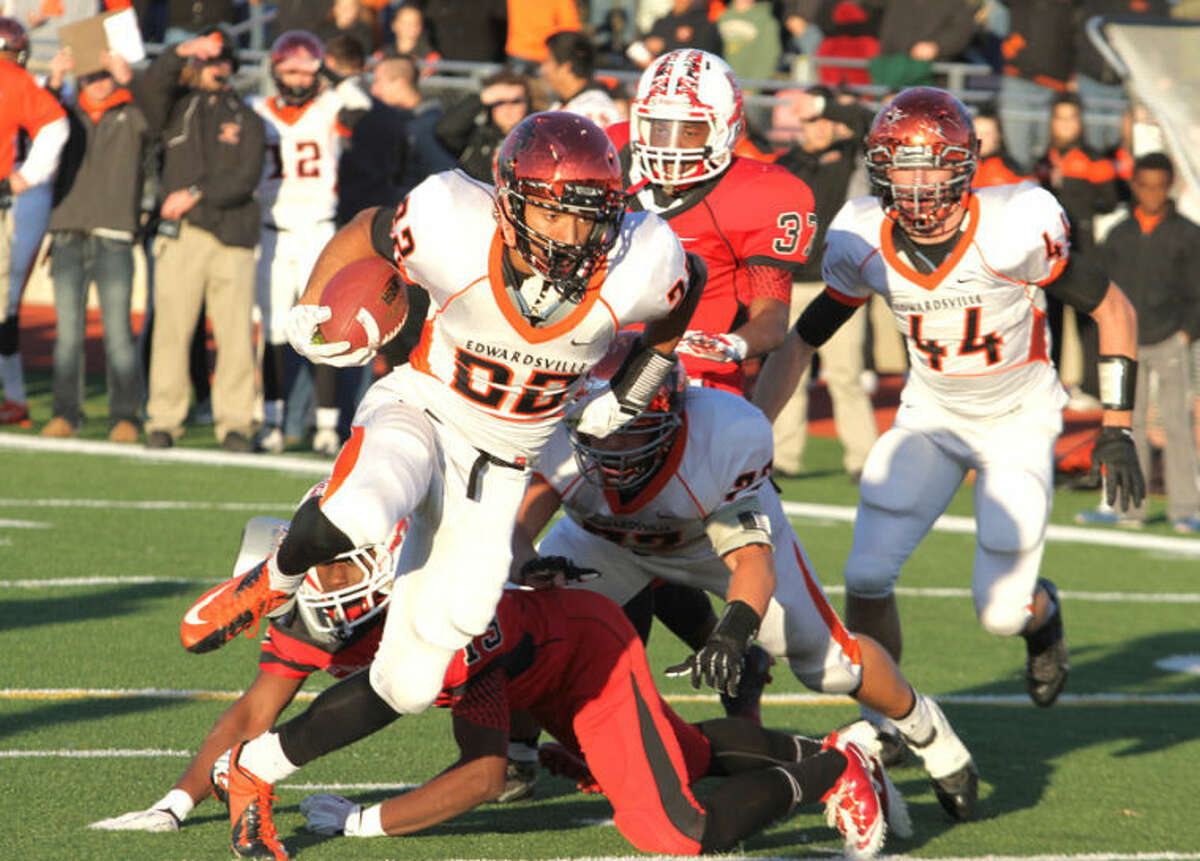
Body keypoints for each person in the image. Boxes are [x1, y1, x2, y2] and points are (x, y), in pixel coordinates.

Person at [178, 111, 704, 854]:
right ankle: (276, 574)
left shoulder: (643, 258)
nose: (567, 234)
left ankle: (254, 770)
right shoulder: (450, 219)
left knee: (413, 680)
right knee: (364, 504)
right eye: (550, 210)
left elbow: (683, 299)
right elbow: (366, 226)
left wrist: (630, 392)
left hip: (497, 470)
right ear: (511, 202)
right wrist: (314, 297)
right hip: (422, 405)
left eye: (584, 217)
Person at [754, 88, 1144, 728]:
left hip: (1018, 420)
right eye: (902, 166)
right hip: (930, 418)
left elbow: (1112, 308)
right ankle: (889, 719)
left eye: (932, 164)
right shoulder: (861, 239)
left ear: (965, 165)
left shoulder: (1014, 224)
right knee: (867, 572)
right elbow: (802, 341)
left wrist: (1118, 425)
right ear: (879, 170)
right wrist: (753, 431)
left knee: (1000, 612)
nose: (917, 184)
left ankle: (1042, 617)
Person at [515, 334, 978, 820]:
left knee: (832, 664)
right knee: (524, 620)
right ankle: (515, 753)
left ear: (670, 415)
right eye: (596, 425)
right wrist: (529, 566)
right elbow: (516, 532)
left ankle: (932, 734)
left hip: (709, 544)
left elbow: (751, 559)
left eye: (630, 426)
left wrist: (733, 632)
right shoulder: (557, 437)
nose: (609, 442)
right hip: (603, 542)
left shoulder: (723, 435)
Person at [226, 580, 903, 860]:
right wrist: (191, 793)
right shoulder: (358, 610)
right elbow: (267, 707)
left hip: (582, 656)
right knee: (685, 753)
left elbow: (484, 773)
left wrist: (359, 819)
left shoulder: (432, 627)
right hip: (541, 661)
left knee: (671, 827)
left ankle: (836, 770)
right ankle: (833, 746)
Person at [88, 486, 405, 832]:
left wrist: (364, 822)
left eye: (340, 565)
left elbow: (477, 770)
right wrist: (173, 806)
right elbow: (254, 713)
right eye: (320, 564)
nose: (331, 582)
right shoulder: (310, 617)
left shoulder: (437, 604)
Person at [613, 49, 818, 396]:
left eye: (690, 131)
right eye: (660, 128)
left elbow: (771, 322)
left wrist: (729, 345)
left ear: (726, 128)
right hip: (603, 374)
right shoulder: (611, 158)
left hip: (695, 384)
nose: (670, 146)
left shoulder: (758, 193)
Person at [137, 28, 265, 452]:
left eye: (221, 60)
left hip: (232, 236)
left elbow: (244, 179)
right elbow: (149, 87)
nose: (215, 67)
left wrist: (195, 193)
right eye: (207, 60)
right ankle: (164, 419)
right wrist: (181, 50)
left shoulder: (247, 119)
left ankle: (236, 424)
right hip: (185, 237)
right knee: (172, 331)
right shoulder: (175, 109)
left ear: (232, 67)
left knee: (233, 337)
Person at [249, 30, 370, 455]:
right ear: (275, 71)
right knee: (274, 329)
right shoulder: (256, 110)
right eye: (291, 70)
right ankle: (272, 422)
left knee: (322, 325)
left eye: (306, 70)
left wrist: (327, 71)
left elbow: (360, 103)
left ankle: (325, 426)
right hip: (272, 230)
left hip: (318, 229)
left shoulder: (329, 105)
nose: (299, 79)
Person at [1080, 152, 1200, 533]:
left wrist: (1186, 334)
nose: (1151, 194)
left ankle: (1187, 510)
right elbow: (1103, 290)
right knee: (1125, 425)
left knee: (1178, 425)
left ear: (1172, 188)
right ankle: (1128, 508)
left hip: (1170, 341)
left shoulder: (1188, 234)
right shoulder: (1120, 234)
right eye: (1144, 186)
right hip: (1128, 345)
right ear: (1134, 187)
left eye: (1159, 187)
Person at [771, 86, 879, 481]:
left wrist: (825, 105)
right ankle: (783, 455)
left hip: (837, 285)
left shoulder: (849, 157)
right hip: (789, 283)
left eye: (823, 120)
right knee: (786, 373)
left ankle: (863, 459)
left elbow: (870, 122)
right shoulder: (784, 163)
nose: (818, 128)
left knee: (846, 374)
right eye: (812, 120)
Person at [40, 48, 147, 443]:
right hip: (68, 234)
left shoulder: (133, 113)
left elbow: (158, 118)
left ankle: (126, 417)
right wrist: (54, 79)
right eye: (91, 76)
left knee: (118, 333)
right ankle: (66, 413)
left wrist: (131, 77)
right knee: (68, 334)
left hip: (115, 237)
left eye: (104, 75)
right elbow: (37, 123)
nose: (98, 82)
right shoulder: (64, 115)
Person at [0, 15, 68, 426]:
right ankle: (16, 394)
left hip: (19, 199)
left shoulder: (16, 82)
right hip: (21, 195)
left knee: (6, 300)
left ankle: (15, 395)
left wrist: (23, 178)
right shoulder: (16, 78)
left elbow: (54, 124)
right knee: (5, 302)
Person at [1034, 93, 1119, 411]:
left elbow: (1109, 199)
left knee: (1087, 322)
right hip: (1050, 253)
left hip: (1084, 251)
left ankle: (1091, 388)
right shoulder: (1044, 159)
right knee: (1050, 322)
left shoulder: (1093, 158)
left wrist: (1078, 188)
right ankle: (1050, 384)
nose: (1065, 124)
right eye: (1060, 118)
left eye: (1071, 118)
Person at [434, 68, 532, 182]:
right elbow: (445, 130)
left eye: (516, 101)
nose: (508, 108)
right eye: (500, 102)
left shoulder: (535, 142)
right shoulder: (476, 139)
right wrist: (480, 99)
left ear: (527, 104)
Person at [540, 30, 622, 129]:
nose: (543, 69)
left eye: (547, 62)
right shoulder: (567, 105)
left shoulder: (589, 111)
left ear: (566, 68)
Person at [627, 0, 723, 69]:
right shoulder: (661, 22)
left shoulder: (703, 22)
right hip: (659, 76)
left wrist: (665, 45)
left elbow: (703, 52)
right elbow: (645, 46)